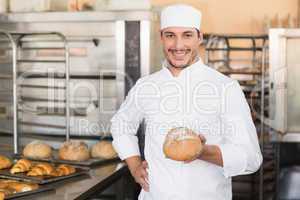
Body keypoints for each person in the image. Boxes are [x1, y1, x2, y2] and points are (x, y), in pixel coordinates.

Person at [110, 4, 262, 200]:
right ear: (161, 37)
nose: (178, 45)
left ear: (200, 37)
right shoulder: (146, 85)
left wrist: (202, 152)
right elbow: (121, 124)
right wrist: (134, 165)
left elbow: (251, 157)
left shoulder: (225, 87)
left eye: (187, 35)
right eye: (170, 35)